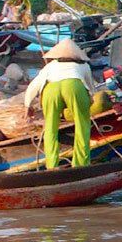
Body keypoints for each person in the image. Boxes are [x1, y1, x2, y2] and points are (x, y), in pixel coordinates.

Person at [23, 37, 96, 169]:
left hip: (51, 89)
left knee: (50, 128)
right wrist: (89, 101)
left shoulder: (50, 66)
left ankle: (51, 165)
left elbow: (33, 86)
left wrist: (28, 105)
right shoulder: (83, 65)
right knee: (82, 125)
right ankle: (80, 164)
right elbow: (91, 88)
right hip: (74, 86)